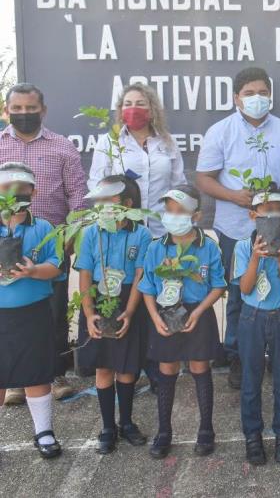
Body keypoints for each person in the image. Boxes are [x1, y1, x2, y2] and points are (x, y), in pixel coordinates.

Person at [196, 67, 280, 389]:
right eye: (250, 93)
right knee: (241, 291)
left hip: (277, 224)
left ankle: (278, 353)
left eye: (263, 92)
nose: (257, 98)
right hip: (236, 226)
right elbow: (203, 178)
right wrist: (234, 196)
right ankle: (239, 355)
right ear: (236, 98)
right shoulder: (220, 131)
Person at [0, 83, 88, 403]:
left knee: (53, 311)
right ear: (7, 110)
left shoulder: (62, 147)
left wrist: (69, 239)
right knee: (10, 313)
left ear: (43, 111)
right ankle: (14, 379)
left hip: (51, 243)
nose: (24, 114)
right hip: (5, 241)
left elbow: (77, 197)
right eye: (18, 109)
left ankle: (54, 371)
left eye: (31, 108)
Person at [138, 186, 226, 458]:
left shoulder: (208, 246)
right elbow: (148, 287)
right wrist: (154, 317)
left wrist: (198, 312)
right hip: (166, 312)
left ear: (196, 215)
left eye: (181, 212)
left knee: (200, 368)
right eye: (169, 211)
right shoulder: (156, 247)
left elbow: (218, 285)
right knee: (167, 370)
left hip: (197, 312)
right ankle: (164, 432)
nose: (173, 217)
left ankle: (206, 430)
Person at [75, 175, 152, 454]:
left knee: (127, 367)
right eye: (100, 200)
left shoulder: (141, 234)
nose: (102, 205)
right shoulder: (92, 232)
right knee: (104, 366)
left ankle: (127, 422)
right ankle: (108, 426)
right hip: (99, 300)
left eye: (109, 200)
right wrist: (89, 313)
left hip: (128, 300)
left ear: (127, 204)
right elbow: (84, 274)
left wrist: (130, 312)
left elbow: (141, 276)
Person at [232, 185, 280, 466]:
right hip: (252, 318)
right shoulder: (241, 246)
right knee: (251, 379)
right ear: (254, 215)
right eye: (268, 209)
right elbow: (246, 289)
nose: (274, 214)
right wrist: (256, 257)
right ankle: (253, 436)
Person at [0, 162, 63, 458]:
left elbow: (56, 266)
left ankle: (44, 431)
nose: (14, 192)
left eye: (22, 187)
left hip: (34, 311)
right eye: (6, 187)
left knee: (36, 373)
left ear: (33, 191)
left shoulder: (44, 227)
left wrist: (34, 270)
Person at [88, 83, 186, 238]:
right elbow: (96, 182)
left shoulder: (168, 142)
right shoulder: (108, 141)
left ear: (152, 110)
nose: (133, 109)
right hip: (121, 229)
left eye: (140, 104)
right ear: (121, 111)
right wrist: (109, 210)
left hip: (161, 230)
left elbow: (178, 185)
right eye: (128, 104)